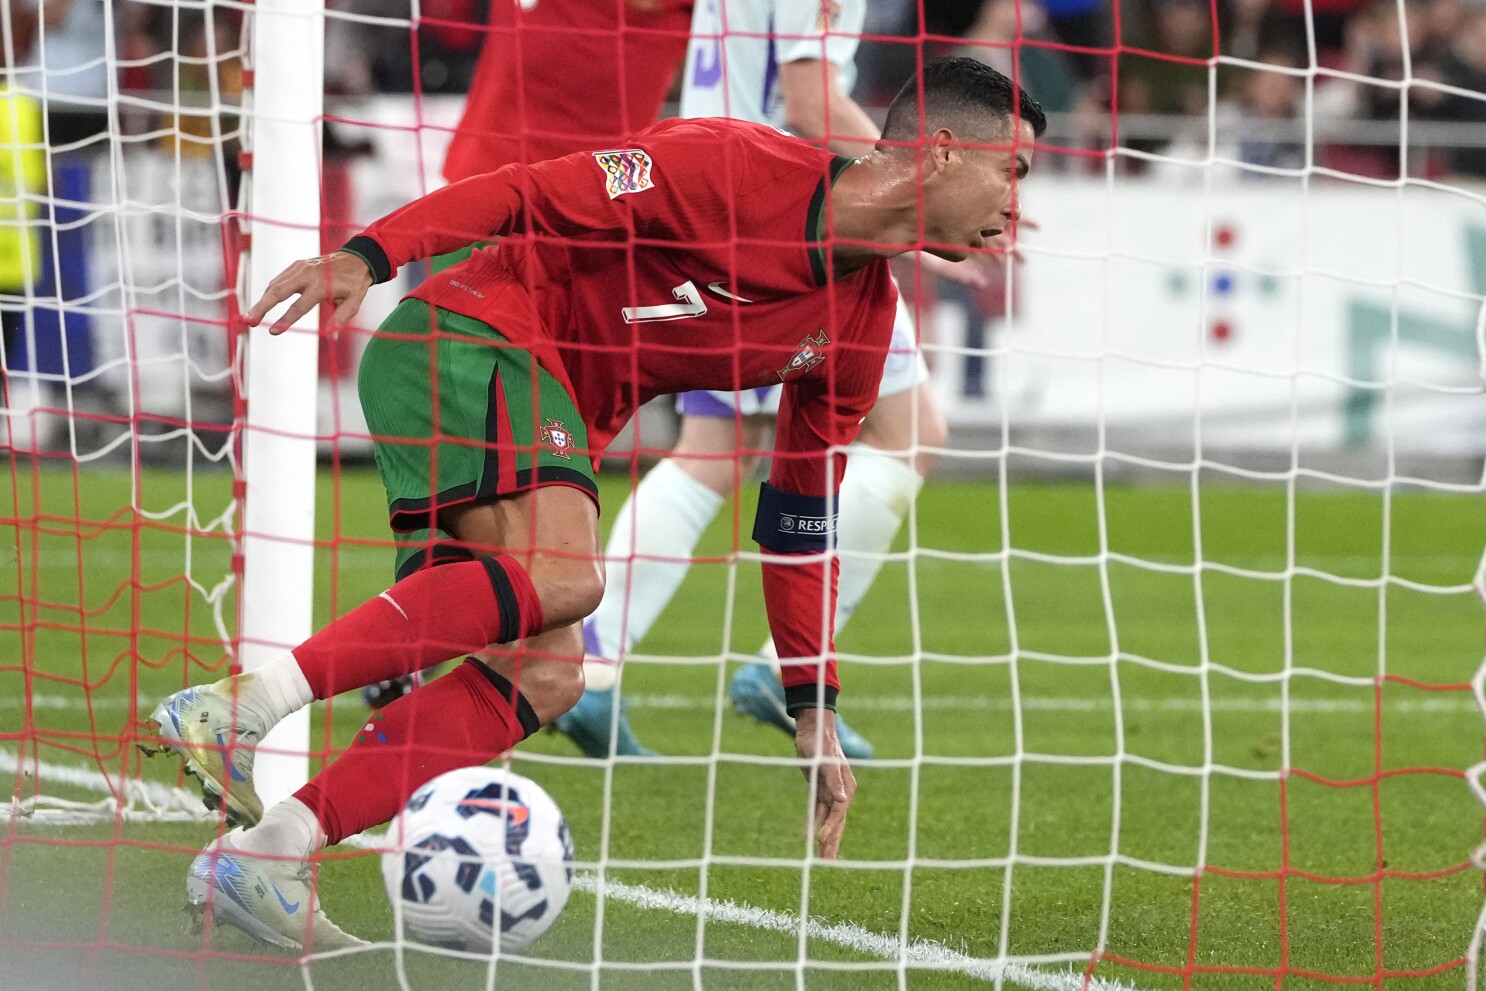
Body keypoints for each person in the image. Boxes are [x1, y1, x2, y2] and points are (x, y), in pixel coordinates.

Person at [141, 57, 1042, 950]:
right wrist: (368, 257)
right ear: (944, 152)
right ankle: (245, 705)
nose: (1018, 205)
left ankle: (271, 849)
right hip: (467, 337)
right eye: (1016, 170)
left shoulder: (862, 323)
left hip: (537, 406)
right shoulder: (729, 165)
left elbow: (802, 518)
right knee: (567, 579)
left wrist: (812, 702)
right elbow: (526, 193)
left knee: (547, 672)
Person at [559, 0, 954, 762]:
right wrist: (929, 192)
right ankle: (784, 667)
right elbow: (811, 104)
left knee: (716, 446)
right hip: (796, 224)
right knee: (908, 435)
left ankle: (594, 667)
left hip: (720, 208)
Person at [356, 0, 695, 709]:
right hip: (536, 225)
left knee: (505, 470)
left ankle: (424, 635)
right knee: (510, 476)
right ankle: (425, 640)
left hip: (554, 215)